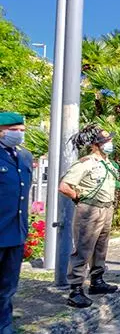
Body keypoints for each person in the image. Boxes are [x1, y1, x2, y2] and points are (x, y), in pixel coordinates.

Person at [58, 125, 119, 308]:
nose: (110, 144)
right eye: (106, 142)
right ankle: (75, 290)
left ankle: (97, 281)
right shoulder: (86, 162)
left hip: (106, 209)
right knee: (84, 249)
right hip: (89, 210)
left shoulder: (107, 164)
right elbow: (64, 186)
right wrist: (80, 198)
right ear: (95, 145)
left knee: (101, 247)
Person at [0, 112, 31, 333]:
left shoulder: (25, 156)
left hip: (15, 233)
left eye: (21, 130)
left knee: (8, 287)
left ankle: (5, 325)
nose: (19, 134)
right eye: (14, 130)